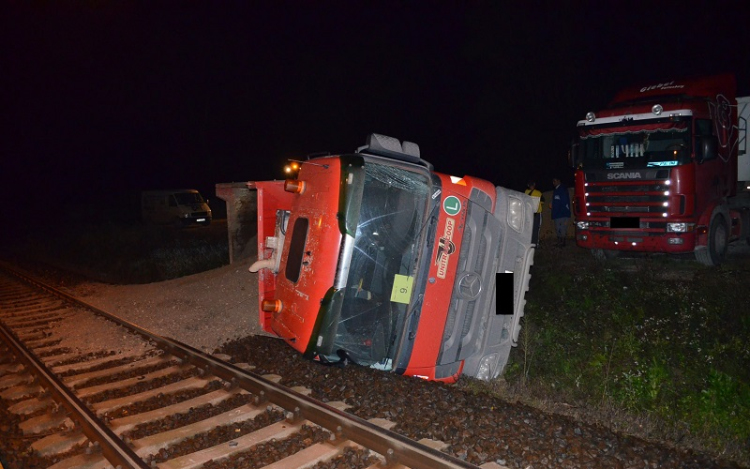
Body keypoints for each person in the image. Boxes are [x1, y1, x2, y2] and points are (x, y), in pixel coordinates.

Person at [550, 177, 571, 247]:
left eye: (555, 181)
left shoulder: (562, 189)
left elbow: (565, 202)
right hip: (557, 214)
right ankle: (559, 242)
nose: (553, 183)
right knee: (558, 228)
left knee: (562, 228)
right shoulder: (556, 190)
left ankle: (563, 243)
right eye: (553, 181)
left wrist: (566, 212)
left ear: (559, 181)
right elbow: (556, 201)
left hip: (562, 213)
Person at [524, 180, 544, 246]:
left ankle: (535, 244)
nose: (531, 186)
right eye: (530, 185)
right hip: (529, 213)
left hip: (537, 213)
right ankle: (529, 243)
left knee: (536, 229)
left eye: (532, 185)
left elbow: (542, 201)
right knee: (529, 228)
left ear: (534, 185)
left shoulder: (538, 193)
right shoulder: (526, 192)